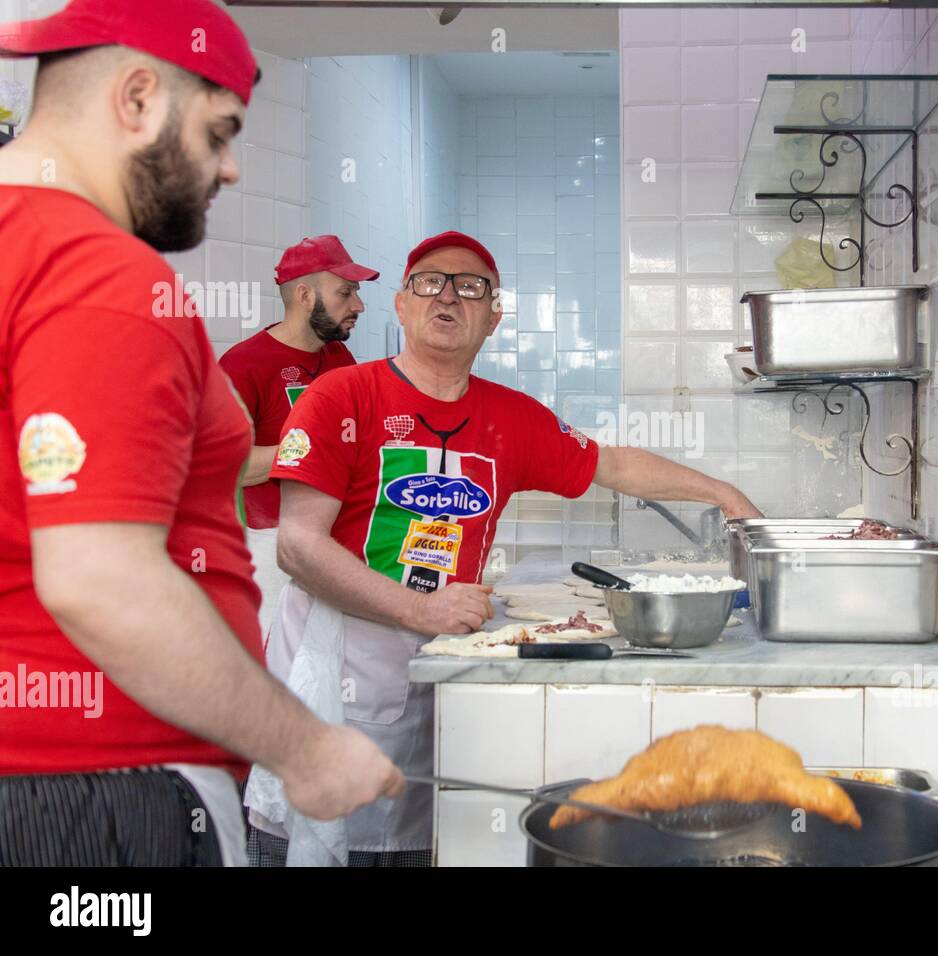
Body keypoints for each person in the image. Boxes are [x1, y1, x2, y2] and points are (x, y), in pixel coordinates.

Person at [0, 0, 400, 866]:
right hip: (102, 793)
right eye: (219, 132)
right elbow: (100, 578)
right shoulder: (96, 273)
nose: (230, 170)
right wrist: (307, 749)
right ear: (138, 97)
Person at [245, 230, 762, 865]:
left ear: (493, 318)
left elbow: (614, 466)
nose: (449, 297)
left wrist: (722, 493)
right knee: (309, 841)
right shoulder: (339, 398)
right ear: (403, 305)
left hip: (442, 654)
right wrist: (416, 609)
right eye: (430, 282)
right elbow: (298, 547)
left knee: (420, 839)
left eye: (471, 288)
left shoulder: (510, 418)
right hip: (336, 660)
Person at [220, 235, 377, 636]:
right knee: (278, 671)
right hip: (273, 548)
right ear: (305, 295)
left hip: (338, 541)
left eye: (356, 293)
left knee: (329, 673)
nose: (358, 305)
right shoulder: (243, 365)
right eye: (345, 292)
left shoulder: (339, 358)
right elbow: (227, 466)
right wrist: (312, 455)